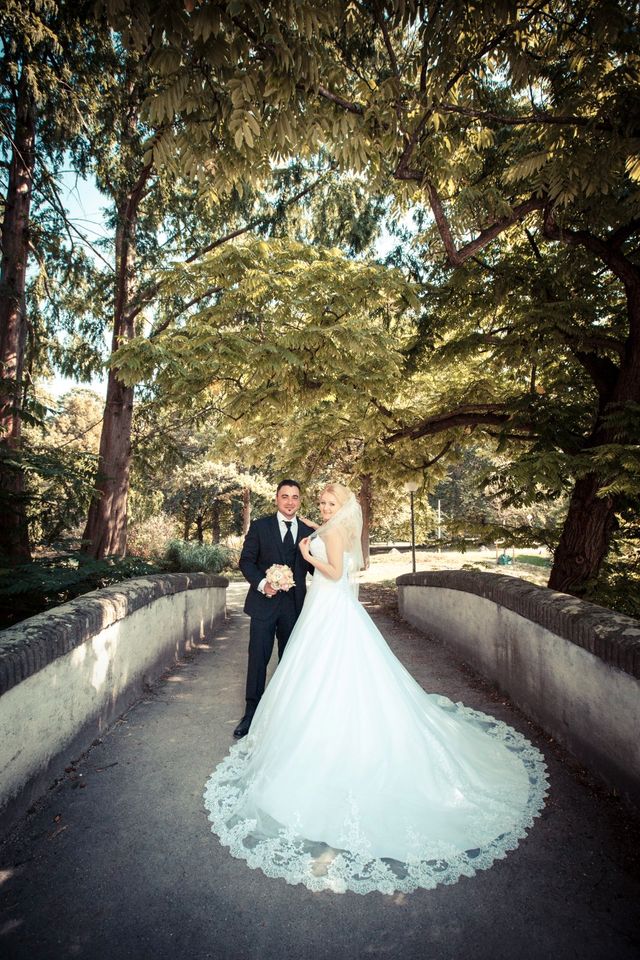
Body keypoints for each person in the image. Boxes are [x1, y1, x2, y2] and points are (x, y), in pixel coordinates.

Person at [206, 483, 548, 895]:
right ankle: (252, 713)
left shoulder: (325, 531)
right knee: (278, 665)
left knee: (316, 670)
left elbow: (329, 569)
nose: (313, 506)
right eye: (311, 501)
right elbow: (269, 555)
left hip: (317, 610)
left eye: (325, 502)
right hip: (299, 607)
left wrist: (306, 554)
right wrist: (281, 566)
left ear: (338, 506)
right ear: (281, 501)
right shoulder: (315, 526)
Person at [234, 479, 315, 739]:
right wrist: (262, 584)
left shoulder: (307, 531)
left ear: (300, 500)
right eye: (285, 496)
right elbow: (246, 561)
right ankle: (251, 714)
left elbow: (316, 567)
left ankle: (284, 714)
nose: (290, 501)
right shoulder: (260, 527)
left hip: (294, 607)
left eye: (295, 497)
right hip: (263, 606)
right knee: (258, 659)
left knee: (289, 661)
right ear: (276, 499)